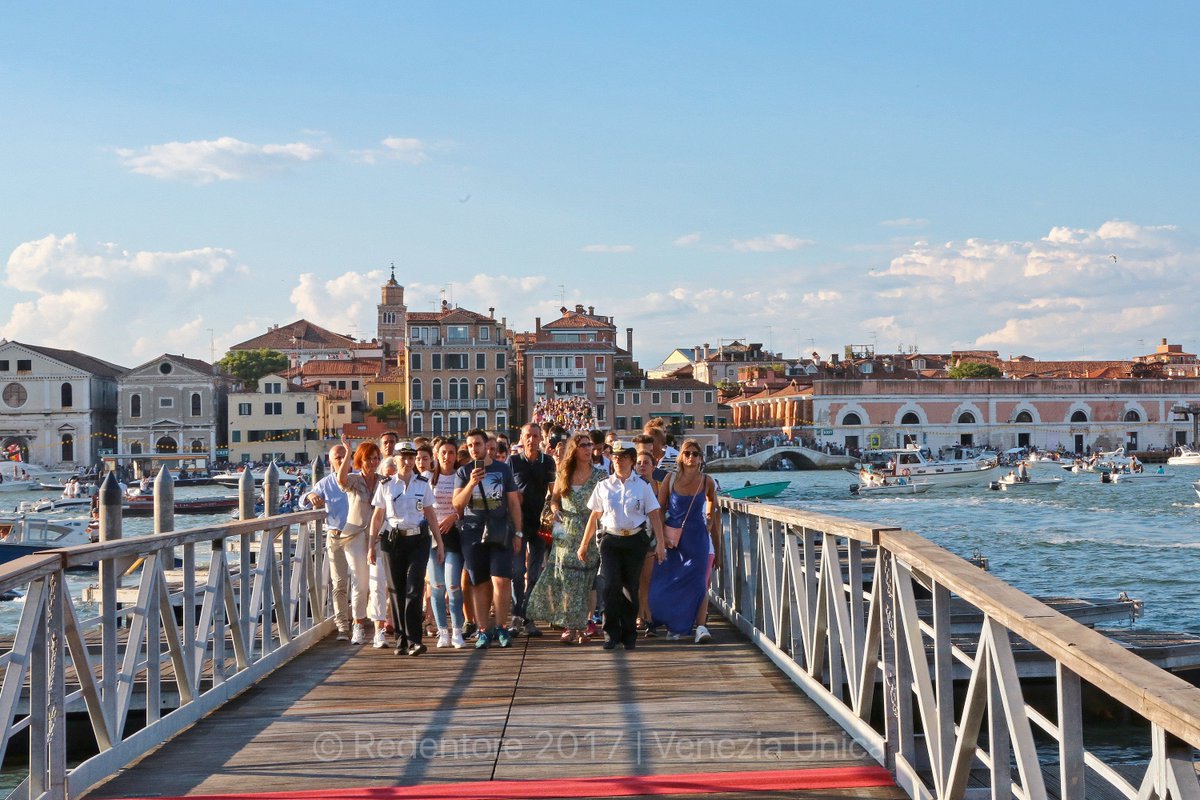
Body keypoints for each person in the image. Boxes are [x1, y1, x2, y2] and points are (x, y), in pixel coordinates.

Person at [577, 441, 666, 650]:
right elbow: (594, 516)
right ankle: (610, 632)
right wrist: (584, 544)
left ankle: (629, 633)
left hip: (635, 540)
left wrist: (660, 543)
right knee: (610, 586)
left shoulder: (642, 486)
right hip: (610, 539)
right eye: (615, 457)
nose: (618, 460)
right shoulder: (603, 485)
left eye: (623, 457)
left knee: (630, 587)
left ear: (632, 460)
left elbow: (654, 515)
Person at [528, 433, 606, 644]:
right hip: (566, 531)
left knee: (585, 582)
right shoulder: (564, 474)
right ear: (574, 449)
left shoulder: (600, 476)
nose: (588, 449)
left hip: (589, 532)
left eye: (590, 445)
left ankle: (582, 624)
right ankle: (571, 627)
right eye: (583, 445)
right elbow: (554, 500)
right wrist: (555, 510)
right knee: (567, 580)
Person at [369, 442, 442, 656]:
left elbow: (430, 514)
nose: (408, 462)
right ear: (396, 459)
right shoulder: (386, 485)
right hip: (393, 541)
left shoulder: (422, 484)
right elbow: (377, 517)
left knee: (414, 588)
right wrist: (371, 546)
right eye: (404, 458)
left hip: (418, 539)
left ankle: (414, 640)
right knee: (397, 591)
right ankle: (401, 640)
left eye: (412, 458)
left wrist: (440, 544)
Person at [453, 429, 523, 649]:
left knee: (502, 580)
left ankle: (501, 627)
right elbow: (457, 505)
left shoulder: (502, 470)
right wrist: (471, 484)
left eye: (478, 444)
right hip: (473, 532)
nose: (474, 449)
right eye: (470, 445)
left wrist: (518, 532)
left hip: (499, 530)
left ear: (487, 445)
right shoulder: (464, 472)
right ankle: (483, 630)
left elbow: (513, 503)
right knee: (479, 583)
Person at [648, 438, 721, 644]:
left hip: (697, 538)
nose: (691, 457)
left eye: (695, 454)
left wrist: (709, 524)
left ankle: (696, 627)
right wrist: (661, 538)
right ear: (681, 456)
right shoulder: (670, 479)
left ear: (700, 458)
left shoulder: (706, 481)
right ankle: (673, 623)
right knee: (667, 582)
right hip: (673, 539)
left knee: (698, 583)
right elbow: (659, 509)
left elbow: (712, 506)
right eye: (687, 453)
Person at [303, 444, 362, 642]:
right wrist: (310, 495)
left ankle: (359, 622)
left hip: (358, 535)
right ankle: (343, 626)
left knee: (360, 582)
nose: (341, 460)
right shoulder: (325, 483)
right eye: (337, 457)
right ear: (330, 461)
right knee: (339, 583)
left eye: (345, 456)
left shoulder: (359, 479)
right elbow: (303, 500)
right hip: (336, 536)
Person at [508, 422, 556, 637]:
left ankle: (528, 616)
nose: (532, 440)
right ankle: (516, 614)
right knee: (517, 572)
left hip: (539, 525)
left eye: (536, 436)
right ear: (522, 437)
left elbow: (554, 492)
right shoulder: (513, 461)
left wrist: (553, 510)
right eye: (528, 435)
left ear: (541, 438)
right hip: (518, 524)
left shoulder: (548, 461)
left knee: (535, 574)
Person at [335, 436, 384, 646]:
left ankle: (379, 630)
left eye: (375, 458)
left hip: (379, 536)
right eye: (368, 459)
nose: (372, 462)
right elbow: (341, 480)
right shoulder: (354, 480)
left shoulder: (384, 481)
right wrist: (348, 452)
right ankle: (358, 626)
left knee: (378, 582)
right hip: (355, 536)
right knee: (360, 583)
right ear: (360, 461)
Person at [427, 437, 467, 648]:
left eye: (451, 453)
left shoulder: (460, 477)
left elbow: (465, 505)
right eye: (443, 452)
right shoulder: (427, 479)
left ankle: (457, 631)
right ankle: (443, 631)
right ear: (437, 454)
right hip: (433, 536)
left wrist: (454, 517)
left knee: (453, 584)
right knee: (437, 586)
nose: (447, 457)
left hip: (453, 535)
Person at [633, 449, 661, 634]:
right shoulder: (632, 485)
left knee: (648, 579)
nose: (642, 466)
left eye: (646, 462)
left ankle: (648, 616)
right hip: (634, 535)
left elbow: (663, 511)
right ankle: (639, 616)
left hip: (652, 536)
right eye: (639, 463)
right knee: (635, 579)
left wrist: (662, 538)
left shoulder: (660, 486)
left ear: (653, 466)